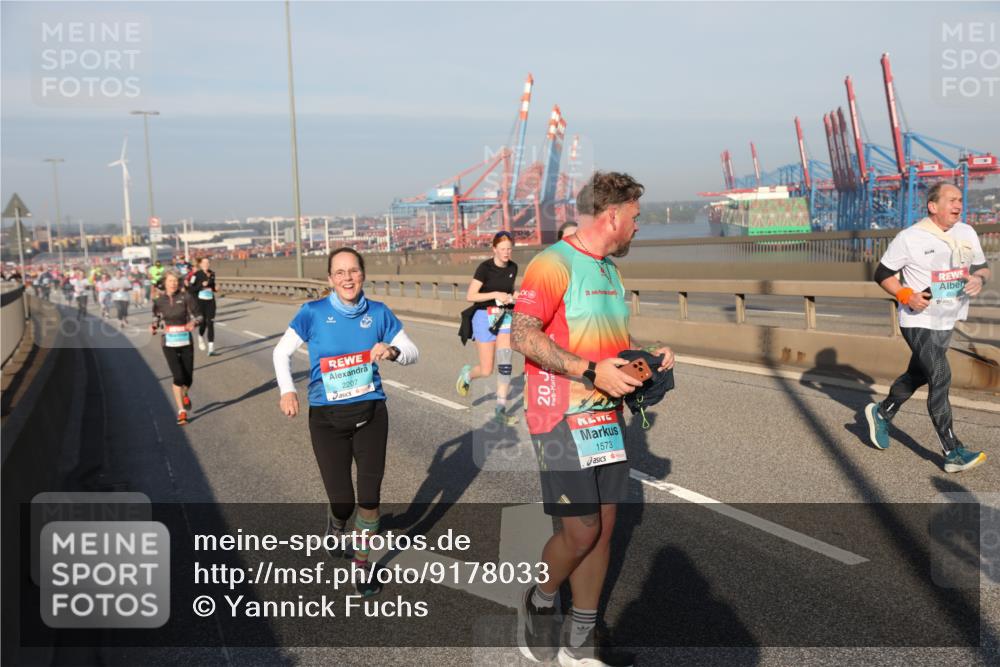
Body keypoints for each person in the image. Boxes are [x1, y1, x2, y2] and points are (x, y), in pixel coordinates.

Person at [511, 171, 674, 666]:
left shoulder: (609, 272)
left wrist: (645, 358)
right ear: (613, 215)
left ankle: (580, 640)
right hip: (558, 414)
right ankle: (541, 599)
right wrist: (588, 370)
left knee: (603, 528)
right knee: (580, 531)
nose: (638, 226)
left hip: (605, 418)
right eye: (635, 217)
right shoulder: (553, 263)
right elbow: (522, 334)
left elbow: (609, 344)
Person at [272, 247, 419, 597]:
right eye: (339, 272)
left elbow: (413, 352)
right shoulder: (313, 312)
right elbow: (281, 352)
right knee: (343, 502)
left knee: (369, 498)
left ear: (363, 274)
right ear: (330, 279)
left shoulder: (379, 313)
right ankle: (337, 523)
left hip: (371, 415)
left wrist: (393, 351)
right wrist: (288, 391)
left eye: (353, 271)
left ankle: (362, 566)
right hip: (327, 420)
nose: (347, 278)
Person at [862, 182, 990, 473]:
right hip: (918, 319)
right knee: (940, 375)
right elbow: (882, 273)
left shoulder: (967, 232)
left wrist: (980, 279)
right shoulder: (910, 237)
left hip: (947, 318)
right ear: (933, 206)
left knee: (918, 374)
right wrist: (905, 294)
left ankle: (881, 413)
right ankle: (953, 451)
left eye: (960, 199)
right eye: (951, 200)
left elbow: (982, 267)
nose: (958, 204)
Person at [455, 231, 520, 424]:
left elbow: (509, 290)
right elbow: (471, 296)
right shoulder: (484, 268)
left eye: (509, 249)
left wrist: (514, 295)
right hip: (484, 317)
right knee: (486, 370)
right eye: (502, 249)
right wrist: (495, 294)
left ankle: (500, 411)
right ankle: (467, 375)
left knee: (505, 365)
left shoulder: (513, 267)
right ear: (494, 249)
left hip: (504, 316)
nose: (506, 253)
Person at [151, 271, 202, 425]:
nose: (173, 283)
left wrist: (194, 323)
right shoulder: (159, 301)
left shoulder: (186, 297)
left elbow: (199, 315)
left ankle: (184, 392)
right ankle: (181, 411)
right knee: (178, 377)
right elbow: (156, 317)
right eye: (170, 281)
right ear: (165, 283)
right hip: (169, 342)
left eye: (175, 281)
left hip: (185, 341)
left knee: (188, 378)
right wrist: (154, 326)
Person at [188, 257, 218, 355]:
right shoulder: (196, 275)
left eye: (208, 263)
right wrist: (201, 286)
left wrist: (215, 288)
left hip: (210, 302)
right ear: (200, 264)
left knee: (210, 323)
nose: (206, 264)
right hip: (200, 302)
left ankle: (211, 349)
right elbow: (190, 289)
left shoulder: (212, 274)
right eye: (204, 263)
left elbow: (212, 286)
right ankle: (200, 336)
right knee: (203, 323)